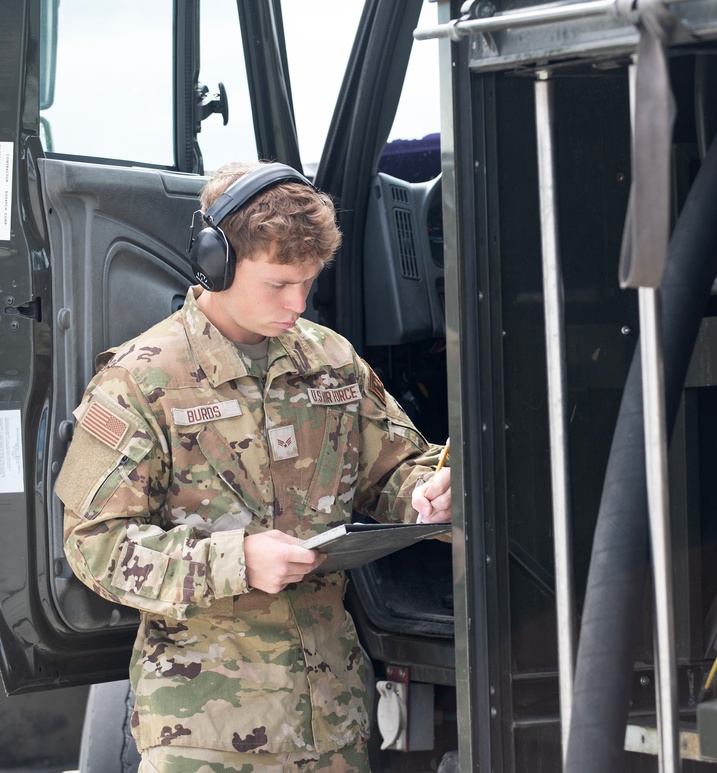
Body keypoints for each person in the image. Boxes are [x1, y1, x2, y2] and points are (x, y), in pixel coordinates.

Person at [55, 161, 452, 773]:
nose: (297, 302)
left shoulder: (331, 362)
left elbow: (392, 473)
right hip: (206, 733)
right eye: (278, 284)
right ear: (216, 263)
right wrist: (235, 561)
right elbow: (95, 549)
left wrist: (428, 494)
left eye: (309, 282)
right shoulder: (139, 381)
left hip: (334, 725)